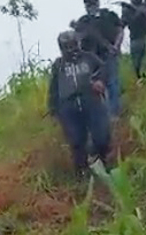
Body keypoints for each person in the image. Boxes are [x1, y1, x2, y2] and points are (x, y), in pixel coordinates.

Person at [47, 30, 111, 177]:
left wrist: (100, 81)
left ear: (77, 43)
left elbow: (104, 69)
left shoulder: (89, 58)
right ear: (61, 48)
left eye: (72, 45)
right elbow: (53, 88)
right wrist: (53, 109)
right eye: (66, 46)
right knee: (76, 141)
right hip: (68, 106)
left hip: (91, 100)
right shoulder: (58, 65)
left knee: (101, 135)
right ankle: (82, 173)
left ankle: (101, 161)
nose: (70, 49)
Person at [73, 0, 125, 118]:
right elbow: (77, 39)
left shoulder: (109, 15)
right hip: (91, 59)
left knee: (112, 83)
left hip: (109, 54)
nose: (91, 7)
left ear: (98, 3)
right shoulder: (83, 21)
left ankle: (114, 114)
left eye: (93, 4)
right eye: (88, 5)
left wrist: (116, 46)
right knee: (96, 87)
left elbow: (120, 30)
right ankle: (103, 114)